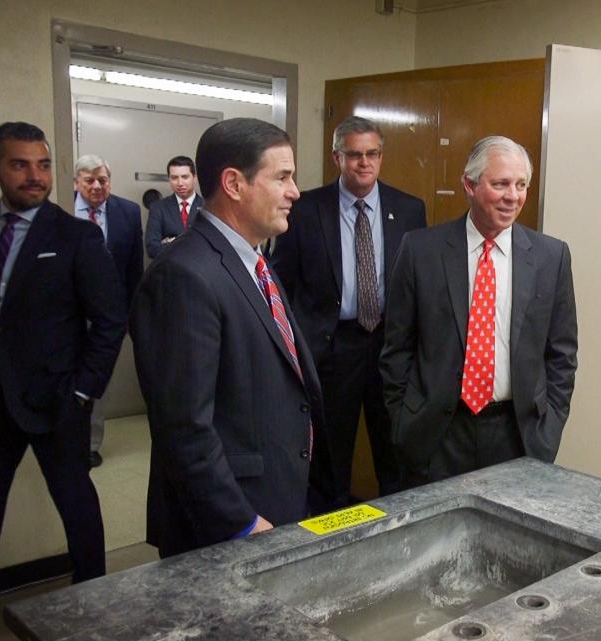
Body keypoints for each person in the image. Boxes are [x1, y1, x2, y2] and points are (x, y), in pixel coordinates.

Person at [0, 122, 127, 637]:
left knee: (78, 507)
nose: (35, 176)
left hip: (57, 399)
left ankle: (93, 604)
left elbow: (109, 320)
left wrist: (82, 390)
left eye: (43, 165)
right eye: (19, 164)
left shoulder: (75, 235)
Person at [130, 118, 323, 558]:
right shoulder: (184, 275)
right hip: (227, 521)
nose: (295, 191)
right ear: (234, 183)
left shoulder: (253, 259)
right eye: (283, 177)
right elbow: (183, 427)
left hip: (276, 496)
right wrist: (241, 522)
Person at [380, 136, 578, 484]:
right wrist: (403, 419)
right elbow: (397, 348)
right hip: (437, 433)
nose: (512, 196)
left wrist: (549, 431)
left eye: (521, 185)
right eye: (500, 184)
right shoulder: (420, 251)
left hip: (517, 434)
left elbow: (562, 354)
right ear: (469, 185)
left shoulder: (551, 257)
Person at [272, 116, 426, 511]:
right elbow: (282, 285)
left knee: (394, 447)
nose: (364, 163)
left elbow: (418, 286)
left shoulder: (409, 210)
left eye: (372, 154)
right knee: (330, 455)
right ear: (337, 157)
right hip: (332, 347)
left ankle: (398, 524)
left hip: (390, 346)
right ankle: (331, 527)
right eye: (354, 155)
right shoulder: (305, 209)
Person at [73, 154, 144, 467]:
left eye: (103, 179)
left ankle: (89, 443)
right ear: (76, 182)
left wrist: (131, 314)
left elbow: (133, 271)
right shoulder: (61, 211)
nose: (97, 186)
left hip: (109, 315)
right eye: (89, 180)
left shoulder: (127, 212)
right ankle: (64, 438)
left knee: (97, 378)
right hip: (69, 311)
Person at [145, 156, 201, 258]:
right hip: (170, 270)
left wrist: (170, 242)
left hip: (201, 270)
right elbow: (152, 248)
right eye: (174, 178)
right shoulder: (158, 208)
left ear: (194, 178)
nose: (180, 183)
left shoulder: (208, 207)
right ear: (169, 179)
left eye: (185, 177)